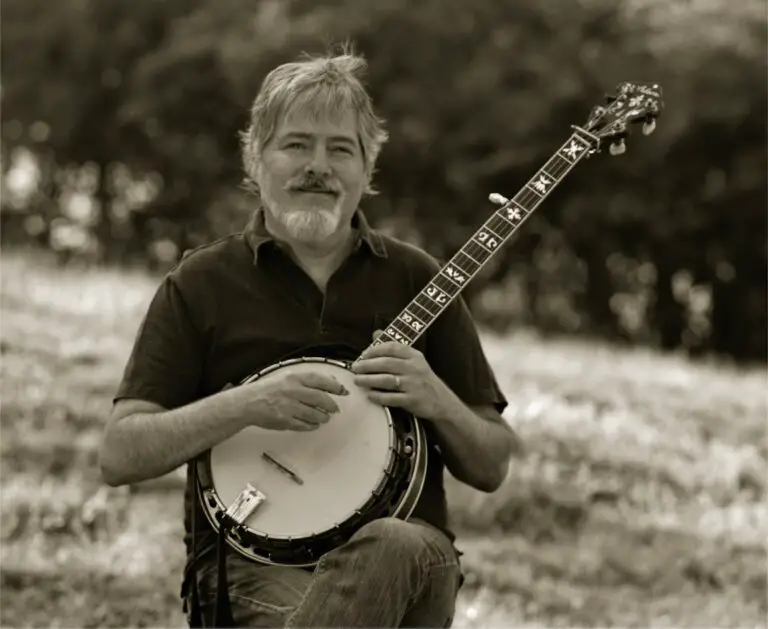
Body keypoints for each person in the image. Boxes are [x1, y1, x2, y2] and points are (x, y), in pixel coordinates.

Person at [99, 48, 522, 628]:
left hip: (409, 575)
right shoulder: (202, 284)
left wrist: (436, 398)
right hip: (252, 572)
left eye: (340, 149)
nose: (317, 166)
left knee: (395, 545)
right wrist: (248, 404)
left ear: (367, 169)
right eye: (296, 144)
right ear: (257, 159)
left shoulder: (418, 279)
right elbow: (120, 454)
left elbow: (493, 464)